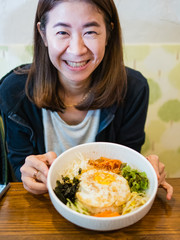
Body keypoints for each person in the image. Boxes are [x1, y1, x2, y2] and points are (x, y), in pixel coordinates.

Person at [0, 0, 173, 199]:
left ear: (108, 33)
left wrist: (146, 168)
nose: (77, 50)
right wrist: (28, 172)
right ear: (43, 34)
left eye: (90, 32)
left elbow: (125, 163)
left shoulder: (133, 89)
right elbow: (19, 169)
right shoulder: (13, 92)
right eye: (63, 32)